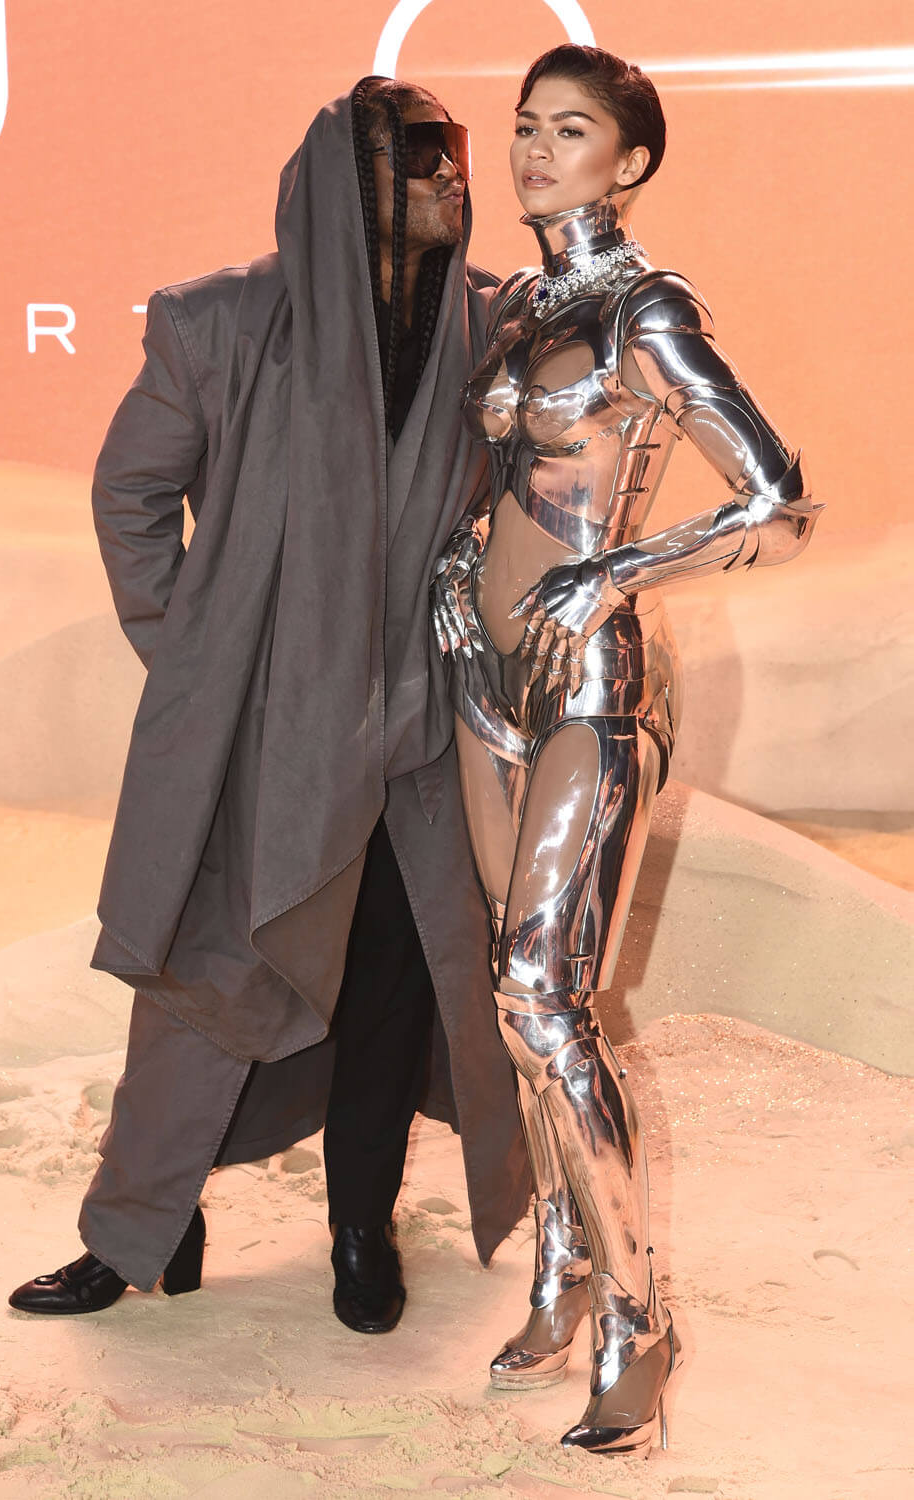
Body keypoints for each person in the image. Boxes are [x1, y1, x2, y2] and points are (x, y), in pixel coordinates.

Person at [8, 78, 530, 1333]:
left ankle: (360, 1231)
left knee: (394, 985)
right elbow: (132, 496)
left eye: (454, 151)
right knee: (204, 982)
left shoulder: (490, 328)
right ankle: (141, 1227)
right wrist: (200, 659)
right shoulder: (219, 322)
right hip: (258, 739)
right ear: (352, 181)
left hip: (414, 739)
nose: (450, 175)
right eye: (421, 157)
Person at [432, 44, 820, 1453]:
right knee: (513, 1004)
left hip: (592, 689)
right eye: (524, 126)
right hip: (483, 687)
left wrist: (611, 574)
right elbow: (493, 486)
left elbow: (776, 500)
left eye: (570, 130)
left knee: (545, 1000)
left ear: (630, 159)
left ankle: (639, 1320)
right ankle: (557, 1265)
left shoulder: (644, 313)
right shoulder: (515, 307)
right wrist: (453, 580)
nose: (535, 152)